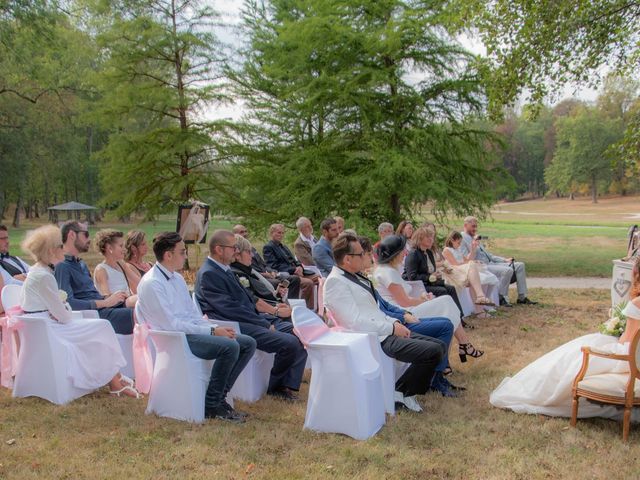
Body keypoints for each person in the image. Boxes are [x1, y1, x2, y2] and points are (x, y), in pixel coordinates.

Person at [491, 258, 640, 421]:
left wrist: (615, 334)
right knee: (590, 343)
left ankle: (542, 391)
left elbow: (628, 341)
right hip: (634, 354)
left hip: (629, 358)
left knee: (578, 352)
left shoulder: (636, 304)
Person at [135, 231, 256, 422]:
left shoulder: (177, 278)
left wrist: (214, 327)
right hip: (175, 339)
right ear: (168, 255)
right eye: (182, 252)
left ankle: (219, 397)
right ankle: (212, 405)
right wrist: (211, 331)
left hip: (191, 331)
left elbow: (192, 314)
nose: (186, 256)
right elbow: (172, 325)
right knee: (230, 346)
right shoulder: (152, 283)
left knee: (247, 343)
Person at [323, 232, 445, 412]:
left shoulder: (353, 276)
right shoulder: (335, 282)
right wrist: (391, 328)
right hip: (374, 338)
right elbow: (355, 322)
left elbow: (375, 309)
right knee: (432, 351)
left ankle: (402, 390)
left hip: (384, 329)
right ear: (348, 259)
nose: (366, 256)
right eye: (361, 254)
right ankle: (402, 391)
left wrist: (395, 321)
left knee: (439, 346)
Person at [19, 225, 139, 398]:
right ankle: (115, 381)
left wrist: (62, 309)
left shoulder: (39, 272)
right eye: (60, 246)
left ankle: (116, 379)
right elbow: (64, 313)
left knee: (100, 328)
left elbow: (60, 308)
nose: (63, 249)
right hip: (51, 328)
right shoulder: (44, 276)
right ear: (51, 250)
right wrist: (65, 309)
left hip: (50, 324)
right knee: (101, 328)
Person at [195, 229, 307, 401]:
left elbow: (248, 299)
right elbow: (230, 309)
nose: (236, 251)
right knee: (290, 342)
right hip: (235, 325)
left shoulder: (223, 269)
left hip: (250, 319)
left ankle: (287, 383)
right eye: (233, 248)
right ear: (219, 249)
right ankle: (277, 387)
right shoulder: (209, 273)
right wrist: (263, 323)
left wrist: (269, 313)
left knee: (298, 332)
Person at [356, 236, 459, 396]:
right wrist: (405, 315)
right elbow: (396, 304)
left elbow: (388, 304)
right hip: (396, 319)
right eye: (402, 251)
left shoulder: (379, 274)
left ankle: (440, 372)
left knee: (447, 317)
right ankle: (438, 374)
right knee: (446, 310)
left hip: (400, 313)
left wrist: (412, 307)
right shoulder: (385, 273)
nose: (405, 253)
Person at [374, 235, 484, 363]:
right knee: (447, 301)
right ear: (396, 253)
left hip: (403, 309)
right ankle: (463, 346)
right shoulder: (388, 272)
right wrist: (425, 301)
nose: (405, 253)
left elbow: (402, 297)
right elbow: (404, 302)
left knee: (447, 305)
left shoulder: (387, 269)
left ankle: (459, 349)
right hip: (403, 314)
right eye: (402, 250)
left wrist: (421, 297)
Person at [54, 221, 134, 335]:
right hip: (96, 315)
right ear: (71, 235)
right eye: (85, 234)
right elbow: (68, 303)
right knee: (141, 314)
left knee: (144, 304)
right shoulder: (62, 266)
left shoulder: (81, 264)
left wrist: (110, 298)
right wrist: (105, 302)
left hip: (105, 308)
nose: (89, 239)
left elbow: (90, 294)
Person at [461, 216, 536, 306]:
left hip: (492, 263)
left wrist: (504, 260)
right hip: (482, 267)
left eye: (476, 226)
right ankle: (501, 297)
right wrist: (473, 248)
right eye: (473, 226)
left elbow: (489, 255)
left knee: (520, 265)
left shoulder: (475, 238)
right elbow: (465, 259)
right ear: (466, 225)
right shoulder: (462, 239)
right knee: (508, 270)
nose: (475, 229)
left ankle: (522, 297)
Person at [404, 227, 465, 319]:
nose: (431, 239)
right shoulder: (413, 254)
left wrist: (436, 275)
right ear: (419, 238)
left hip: (428, 283)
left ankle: (459, 317)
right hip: (418, 285)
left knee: (451, 288)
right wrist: (430, 277)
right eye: (427, 237)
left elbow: (430, 271)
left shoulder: (428, 252)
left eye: (432, 237)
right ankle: (448, 317)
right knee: (443, 291)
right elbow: (411, 277)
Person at [231, 234, 293, 321]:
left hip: (271, 308)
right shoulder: (238, 273)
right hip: (265, 316)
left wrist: (276, 294)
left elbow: (259, 294)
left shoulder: (247, 270)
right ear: (237, 255)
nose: (252, 255)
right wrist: (276, 309)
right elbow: (252, 300)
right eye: (248, 252)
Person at [232, 224, 302, 300]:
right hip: (259, 276)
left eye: (246, 231)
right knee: (282, 281)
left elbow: (264, 264)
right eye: (242, 232)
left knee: (293, 280)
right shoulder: (268, 247)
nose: (245, 234)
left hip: (267, 274)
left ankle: (289, 302)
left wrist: (272, 272)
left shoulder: (282, 246)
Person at [441, 231, 499, 316]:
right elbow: (454, 264)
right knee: (472, 266)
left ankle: (480, 310)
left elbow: (467, 260)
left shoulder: (458, 250)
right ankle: (481, 297)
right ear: (452, 240)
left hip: (462, 270)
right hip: (455, 272)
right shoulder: (447, 250)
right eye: (458, 242)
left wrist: (473, 250)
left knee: (481, 277)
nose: (460, 244)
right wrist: (470, 263)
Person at [263, 223, 318, 309]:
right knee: (308, 283)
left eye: (282, 233)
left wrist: (299, 266)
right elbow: (273, 266)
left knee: (318, 278)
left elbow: (294, 260)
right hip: (286, 275)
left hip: (297, 272)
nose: (281, 235)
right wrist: (293, 270)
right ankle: (300, 308)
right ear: (272, 233)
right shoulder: (268, 247)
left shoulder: (283, 246)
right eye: (278, 233)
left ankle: (315, 307)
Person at [93, 229, 139, 308]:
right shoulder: (101, 270)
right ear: (109, 248)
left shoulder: (121, 263)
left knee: (147, 296)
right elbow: (107, 297)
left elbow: (139, 281)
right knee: (141, 299)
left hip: (127, 301)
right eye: (121, 246)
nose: (125, 249)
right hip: (116, 306)